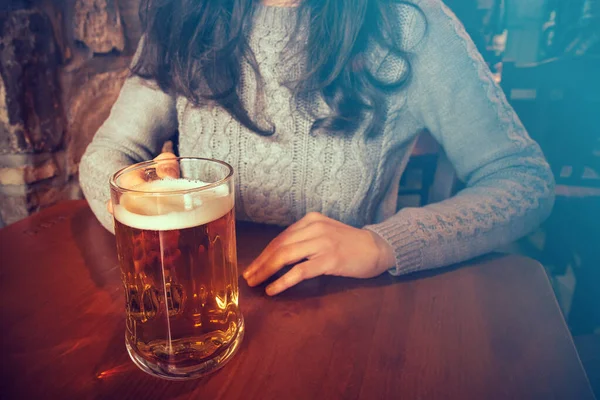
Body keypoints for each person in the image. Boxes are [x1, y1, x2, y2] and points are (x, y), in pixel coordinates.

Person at [80, 0, 555, 296]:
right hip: (198, 291)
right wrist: (140, 201)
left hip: (345, 307)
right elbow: (111, 151)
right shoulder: (181, 14)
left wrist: (386, 244)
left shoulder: (410, 24)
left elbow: (524, 179)